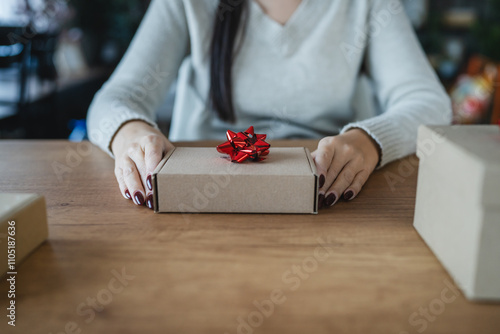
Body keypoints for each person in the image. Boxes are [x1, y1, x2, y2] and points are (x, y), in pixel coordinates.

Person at [87, 0, 451, 210]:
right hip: (193, 197)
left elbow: (429, 102)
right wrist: (130, 133)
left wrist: (368, 140)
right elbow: (115, 99)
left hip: (326, 195)